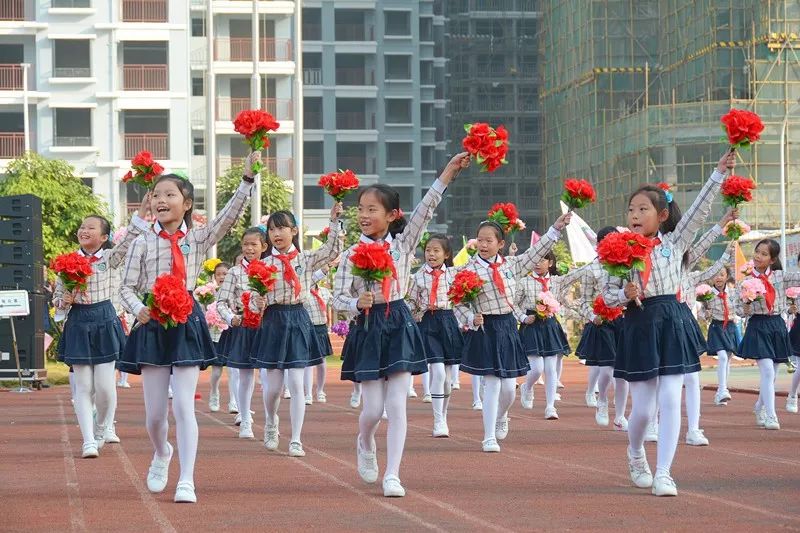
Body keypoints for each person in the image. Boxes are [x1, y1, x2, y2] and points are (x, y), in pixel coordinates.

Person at [118, 152, 259, 503]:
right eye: (156, 195)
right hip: (152, 322)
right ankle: (162, 451)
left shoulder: (197, 238)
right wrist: (139, 310)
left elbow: (228, 219)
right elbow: (125, 287)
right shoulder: (141, 242)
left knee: (183, 406)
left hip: (185, 320)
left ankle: (187, 479)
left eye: (170, 195)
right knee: (154, 417)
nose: (161, 200)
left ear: (187, 204)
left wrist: (245, 181)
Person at [333, 152, 470, 497]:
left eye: (372, 209)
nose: (364, 215)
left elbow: (426, 208)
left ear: (392, 215)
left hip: (399, 323)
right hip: (367, 327)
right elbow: (336, 298)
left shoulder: (404, 245)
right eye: (361, 209)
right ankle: (364, 441)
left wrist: (448, 174)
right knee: (373, 411)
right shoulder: (350, 254)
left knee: (396, 405)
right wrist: (354, 302)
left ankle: (392, 474)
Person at [603, 150, 735, 497]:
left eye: (643, 209)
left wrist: (718, 174)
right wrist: (623, 294)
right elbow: (606, 294)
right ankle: (635, 453)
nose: (635, 215)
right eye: (631, 209)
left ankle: (664, 472)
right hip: (639, 323)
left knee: (672, 399)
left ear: (661, 216)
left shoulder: (674, 244)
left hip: (672, 320)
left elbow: (697, 212)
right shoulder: (618, 250)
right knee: (644, 410)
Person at [455, 212, 572, 453]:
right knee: (492, 384)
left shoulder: (512, 265)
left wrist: (555, 229)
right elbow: (457, 301)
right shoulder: (468, 269)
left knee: (509, 389)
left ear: (501, 244)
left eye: (489, 240)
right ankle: (488, 436)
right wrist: (469, 317)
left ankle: (501, 416)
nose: (483, 245)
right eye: (480, 240)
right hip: (484, 328)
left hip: (508, 328)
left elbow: (535, 253)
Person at [54, 208, 150, 458]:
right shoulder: (66, 263)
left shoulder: (111, 257)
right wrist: (63, 300)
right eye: (82, 227)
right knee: (83, 386)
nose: (83, 230)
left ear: (104, 236)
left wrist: (142, 211)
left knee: (106, 387)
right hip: (78, 321)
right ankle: (88, 440)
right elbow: (57, 298)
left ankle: (102, 428)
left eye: (90, 227)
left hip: (105, 319)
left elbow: (129, 238)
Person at [249, 203, 343, 457]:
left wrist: (334, 222)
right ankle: (271, 422)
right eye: (272, 229)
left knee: (298, 384)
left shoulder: (305, 258)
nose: (276, 234)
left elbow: (332, 249)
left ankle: (296, 439)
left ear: (294, 231)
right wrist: (256, 302)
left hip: (299, 319)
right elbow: (252, 297)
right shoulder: (262, 265)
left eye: (281, 228)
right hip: (273, 320)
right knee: (273, 388)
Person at [736, 239, 800, 430]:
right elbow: (739, 311)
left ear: (772, 260)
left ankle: (759, 407)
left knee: (771, 375)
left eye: (764, 254)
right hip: (758, 325)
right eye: (757, 252)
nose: (758, 256)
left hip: (777, 326)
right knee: (767, 371)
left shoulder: (780, 277)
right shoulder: (746, 281)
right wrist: (747, 304)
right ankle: (772, 416)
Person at [406, 233, 464, 437]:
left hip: (448, 322)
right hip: (427, 322)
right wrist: (411, 312)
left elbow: (461, 300)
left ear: (446, 254)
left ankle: (443, 415)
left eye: (436, 250)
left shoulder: (455, 274)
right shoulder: (416, 276)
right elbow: (411, 302)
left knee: (447, 377)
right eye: (428, 250)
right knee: (437, 371)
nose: (431, 254)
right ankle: (438, 420)